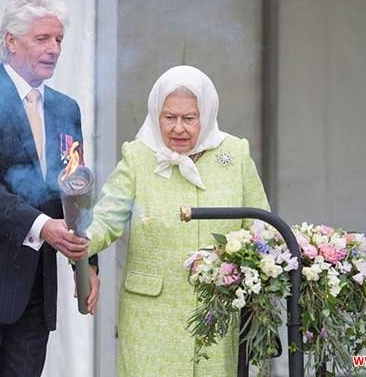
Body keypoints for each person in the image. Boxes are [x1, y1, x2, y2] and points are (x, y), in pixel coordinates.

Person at [0, 0, 99, 376]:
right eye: (42, 39)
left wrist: (87, 261)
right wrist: (44, 227)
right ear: (11, 41)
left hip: (35, 288)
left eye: (59, 39)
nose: (54, 49)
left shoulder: (66, 108)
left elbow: (74, 189)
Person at [87, 65, 270, 376]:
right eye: (169, 117)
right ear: (156, 114)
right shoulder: (138, 156)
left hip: (216, 315)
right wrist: (79, 241)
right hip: (150, 318)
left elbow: (263, 230)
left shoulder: (235, 154)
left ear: (207, 114)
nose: (178, 128)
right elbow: (106, 218)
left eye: (189, 118)